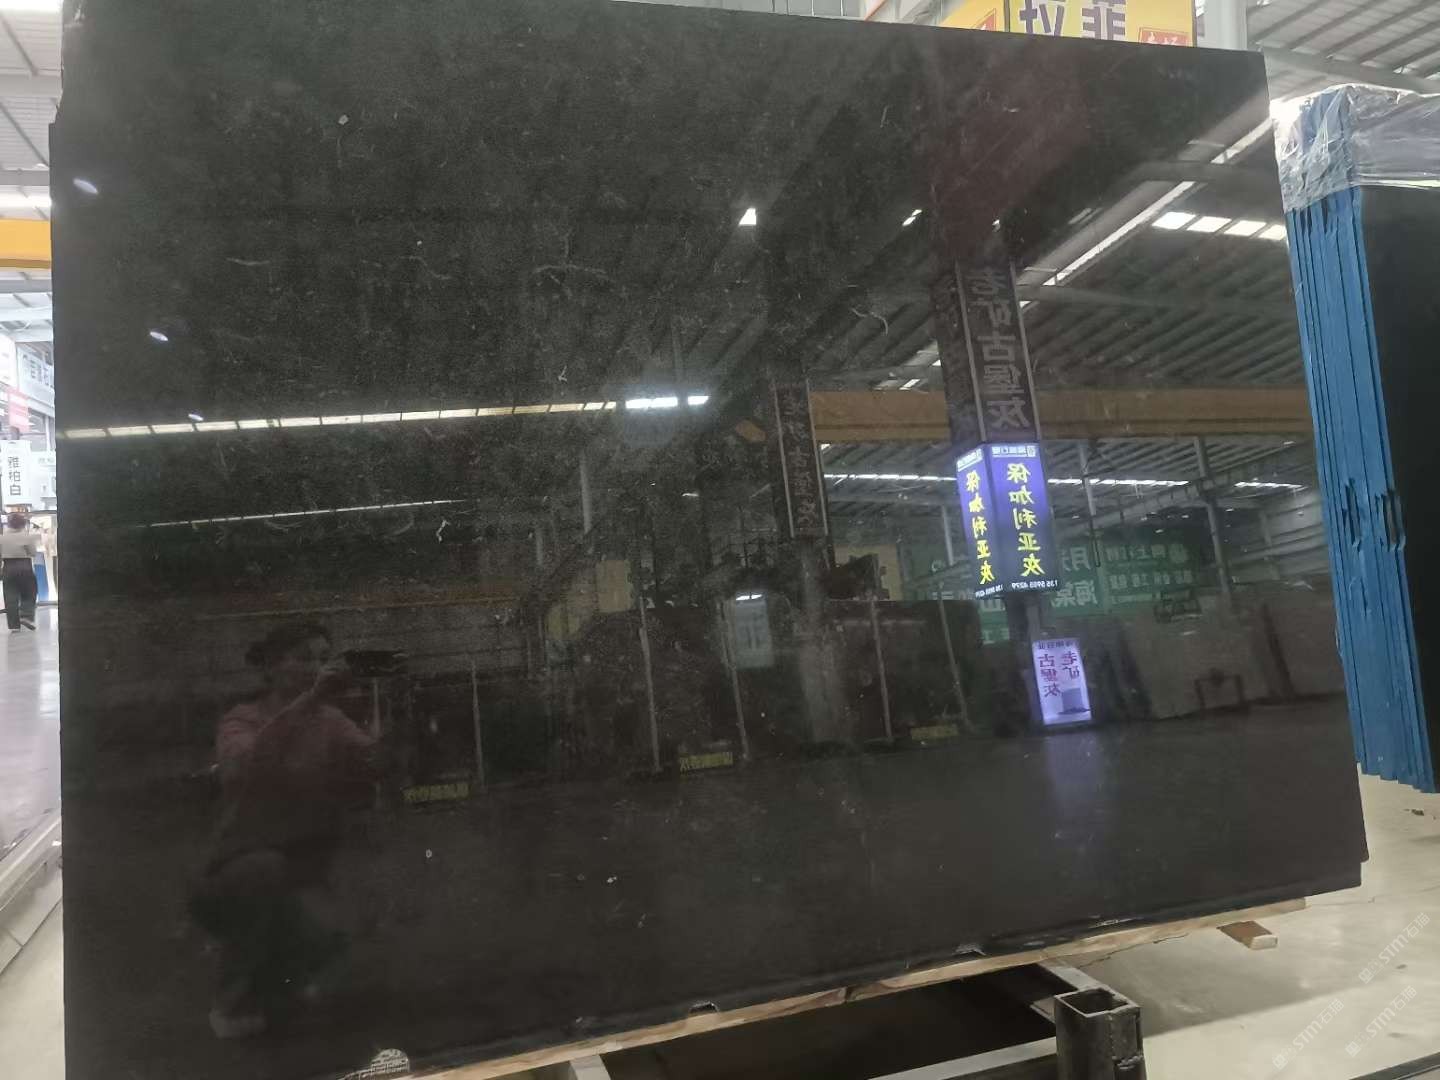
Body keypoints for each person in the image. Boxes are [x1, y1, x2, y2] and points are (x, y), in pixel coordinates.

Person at [189, 622, 380, 1038]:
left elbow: (373, 762)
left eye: (323, 658)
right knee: (262, 873)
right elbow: (245, 767)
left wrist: (390, 720)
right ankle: (231, 1002)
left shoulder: (330, 720)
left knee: (338, 930)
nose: (316, 667)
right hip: (236, 869)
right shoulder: (241, 720)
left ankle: (279, 970)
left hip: (302, 868)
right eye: (304, 658)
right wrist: (310, 701)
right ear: (271, 668)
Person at [0, 511, 38, 632]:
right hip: (24, 566)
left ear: (9, 524)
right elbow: (33, 553)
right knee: (30, 591)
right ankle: (26, 616)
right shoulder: (27, 537)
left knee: (10, 596)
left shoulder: (2, 538)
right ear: (22, 524)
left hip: (8, 567)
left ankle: (14, 626)